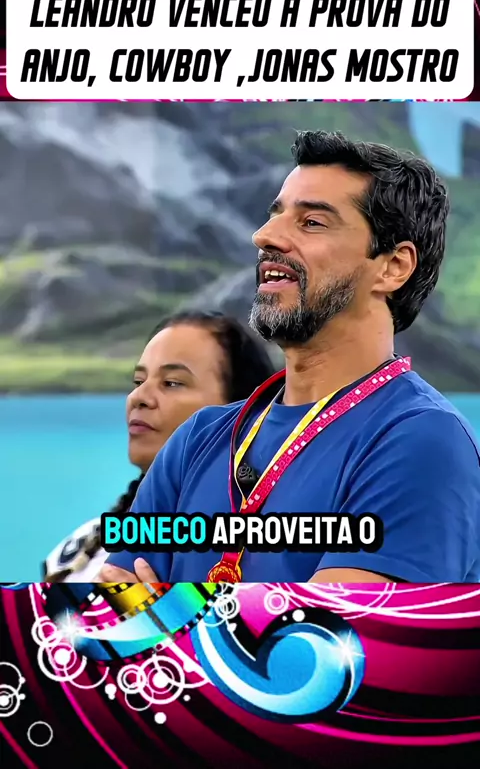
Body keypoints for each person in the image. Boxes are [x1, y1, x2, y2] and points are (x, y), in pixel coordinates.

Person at [101, 129, 480, 586]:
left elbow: (330, 629)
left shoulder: (422, 440)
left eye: (312, 222)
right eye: (275, 215)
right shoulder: (196, 440)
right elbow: (106, 612)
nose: (264, 236)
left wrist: (166, 611)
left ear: (393, 266)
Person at [43, 310, 275, 581]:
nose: (138, 397)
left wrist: (165, 608)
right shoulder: (82, 547)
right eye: (138, 381)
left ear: (244, 413)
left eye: (172, 383)